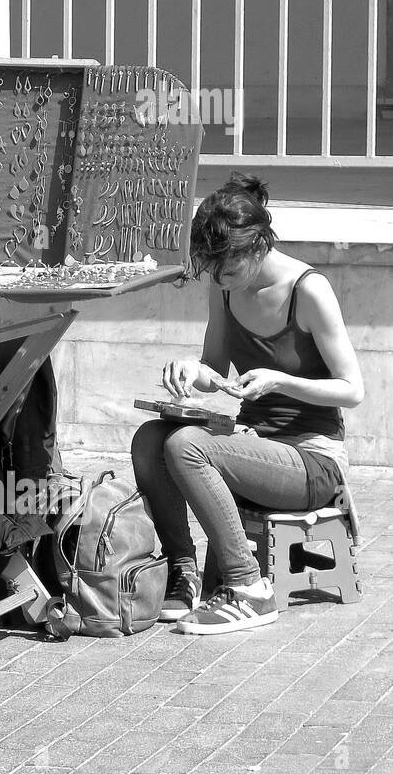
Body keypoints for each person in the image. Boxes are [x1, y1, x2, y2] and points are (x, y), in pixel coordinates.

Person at [131, 173, 363, 634]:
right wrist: (190, 370)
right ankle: (183, 572)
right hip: (253, 445)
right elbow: (212, 369)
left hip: (313, 460)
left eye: (229, 270)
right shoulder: (224, 287)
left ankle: (248, 589)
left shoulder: (308, 290)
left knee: (187, 447)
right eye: (213, 271)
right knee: (151, 439)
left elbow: (352, 390)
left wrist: (281, 381)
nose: (220, 280)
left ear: (257, 245)